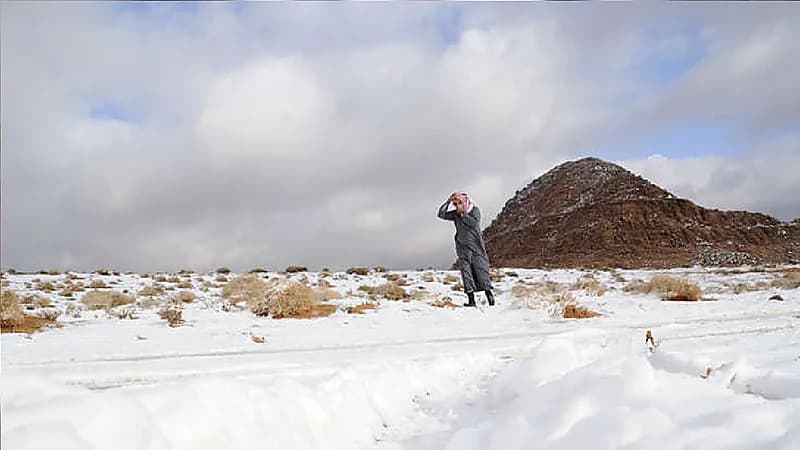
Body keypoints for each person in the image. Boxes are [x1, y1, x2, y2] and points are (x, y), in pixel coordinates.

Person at [437, 191, 495, 307]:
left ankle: (489, 296)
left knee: (481, 271)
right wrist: (448, 201)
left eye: (460, 203)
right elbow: (441, 214)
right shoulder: (455, 215)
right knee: (466, 273)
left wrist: (464, 214)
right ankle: (471, 300)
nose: (457, 206)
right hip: (462, 249)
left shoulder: (474, 211)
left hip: (476, 247)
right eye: (456, 204)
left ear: (465, 202)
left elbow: (474, 224)